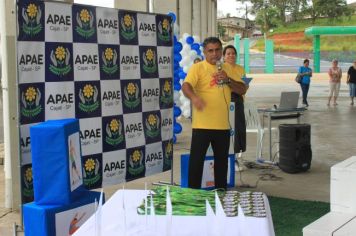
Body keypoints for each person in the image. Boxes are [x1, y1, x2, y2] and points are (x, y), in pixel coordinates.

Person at [182, 37, 246, 189]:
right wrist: (194, 98)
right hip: (202, 126)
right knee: (196, 164)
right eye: (210, 51)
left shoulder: (227, 68)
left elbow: (242, 89)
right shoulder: (198, 68)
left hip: (223, 126)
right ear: (204, 52)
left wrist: (228, 80)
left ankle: (221, 194)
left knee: (222, 165)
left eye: (217, 50)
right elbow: (186, 86)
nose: (215, 54)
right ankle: (193, 197)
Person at [223, 45, 247, 155]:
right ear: (224, 56)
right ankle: (229, 156)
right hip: (227, 101)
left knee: (239, 128)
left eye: (233, 53)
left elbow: (244, 86)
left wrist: (239, 87)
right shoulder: (222, 68)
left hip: (239, 101)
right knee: (229, 130)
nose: (231, 55)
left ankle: (237, 156)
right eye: (228, 53)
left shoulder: (241, 69)